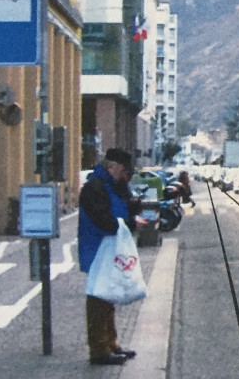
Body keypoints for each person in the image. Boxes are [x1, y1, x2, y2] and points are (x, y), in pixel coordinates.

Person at [78, 148, 147, 366]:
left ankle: (110, 344)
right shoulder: (95, 187)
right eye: (125, 172)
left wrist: (132, 207)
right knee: (98, 297)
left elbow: (119, 211)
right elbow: (104, 220)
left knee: (108, 297)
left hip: (109, 247)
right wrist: (131, 222)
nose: (126, 177)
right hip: (98, 247)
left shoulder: (110, 186)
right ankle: (99, 349)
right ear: (113, 166)